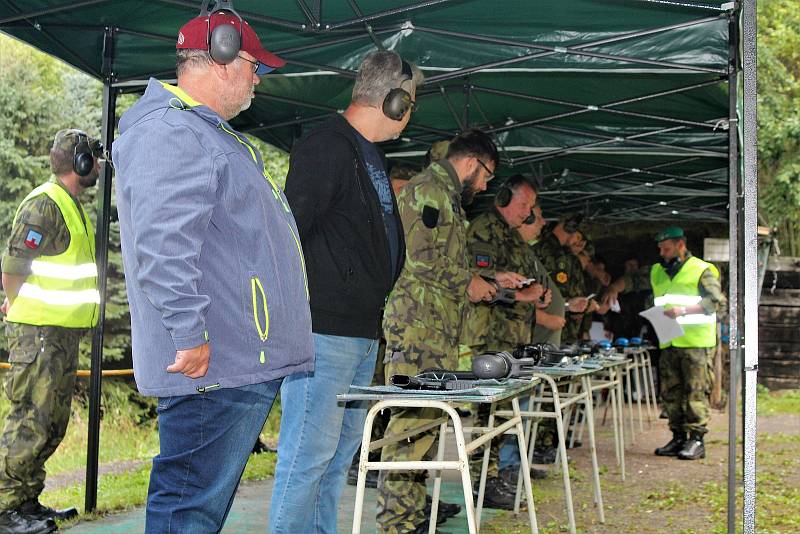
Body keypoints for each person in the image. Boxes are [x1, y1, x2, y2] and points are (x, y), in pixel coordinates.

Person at [113, 8, 314, 532]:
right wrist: (189, 333)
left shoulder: (199, 133)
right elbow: (163, 246)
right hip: (211, 363)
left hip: (228, 358)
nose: (257, 80)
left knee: (196, 505)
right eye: (254, 66)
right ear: (224, 58)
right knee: (189, 507)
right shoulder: (173, 132)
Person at [269, 50, 422, 534]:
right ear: (395, 100)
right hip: (325, 333)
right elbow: (287, 233)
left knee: (334, 461)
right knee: (306, 460)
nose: (412, 111)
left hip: (358, 332)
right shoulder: (328, 147)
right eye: (411, 101)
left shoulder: (368, 154)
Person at [377, 130, 527, 534]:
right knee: (409, 427)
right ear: (471, 163)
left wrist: (487, 277)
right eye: (485, 177)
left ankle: (409, 518)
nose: (483, 186)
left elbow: (442, 260)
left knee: (424, 428)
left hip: (435, 329)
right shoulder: (429, 190)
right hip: (416, 328)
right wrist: (469, 284)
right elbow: (419, 257)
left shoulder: (445, 197)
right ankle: (396, 524)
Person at [0, 129, 101, 534]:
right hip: (39, 333)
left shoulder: (67, 204)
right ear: (78, 162)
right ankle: (6, 511)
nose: (97, 164)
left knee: (51, 422)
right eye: (92, 156)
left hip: (59, 334)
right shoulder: (45, 204)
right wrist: (16, 303)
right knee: (31, 420)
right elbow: (14, 267)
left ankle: (26, 502)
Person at [604, 226, 726, 460]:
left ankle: (696, 440)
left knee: (695, 392)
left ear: (681, 245)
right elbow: (632, 280)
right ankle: (678, 436)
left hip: (696, 343)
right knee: (671, 392)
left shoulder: (701, 270)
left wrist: (683, 309)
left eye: (667, 249)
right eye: (660, 249)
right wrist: (613, 289)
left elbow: (716, 302)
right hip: (669, 340)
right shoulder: (657, 271)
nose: (662, 253)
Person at [463, 175, 546, 506]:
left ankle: (495, 477)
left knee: (501, 414)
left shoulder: (512, 237)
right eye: (524, 204)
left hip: (512, 338)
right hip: (492, 336)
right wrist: (519, 296)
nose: (527, 213)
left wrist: (536, 291)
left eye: (531, 207)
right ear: (503, 198)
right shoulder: (485, 229)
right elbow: (477, 282)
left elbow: (519, 277)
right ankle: (481, 482)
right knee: (488, 413)